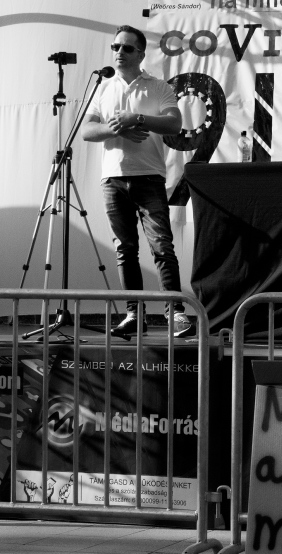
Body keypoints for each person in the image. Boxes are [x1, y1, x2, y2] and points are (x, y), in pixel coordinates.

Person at [80, 25, 193, 338]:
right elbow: (87, 131)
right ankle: (134, 314)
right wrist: (118, 128)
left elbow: (174, 124)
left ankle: (175, 313)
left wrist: (138, 118)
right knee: (125, 250)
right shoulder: (103, 87)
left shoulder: (157, 87)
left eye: (127, 48)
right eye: (115, 46)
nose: (119, 52)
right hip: (113, 179)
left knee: (161, 246)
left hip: (148, 176)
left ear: (141, 54)